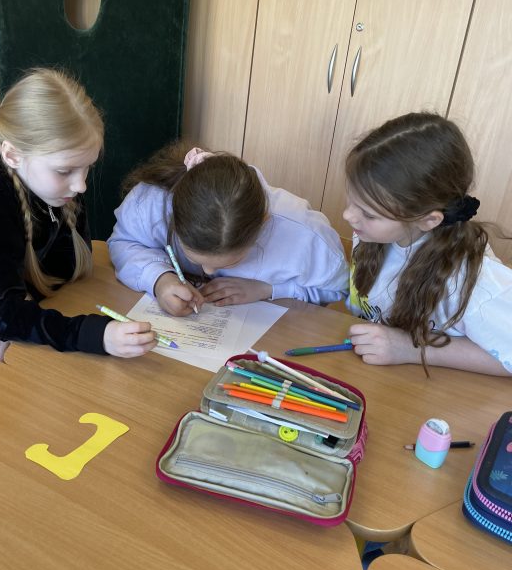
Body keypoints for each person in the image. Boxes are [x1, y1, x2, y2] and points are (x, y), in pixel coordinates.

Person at [0, 68, 155, 361]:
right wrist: (98, 335)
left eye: (87, 167)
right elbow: (2, 318)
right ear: (13, 155)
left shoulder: (57, 181)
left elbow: (68, 263)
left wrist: (19, 308)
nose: (81, 185)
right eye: (65, 171)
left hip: (23, 336)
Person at [343, 112, 512, 376]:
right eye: (351, 200)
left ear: (428, 220)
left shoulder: (474, 282)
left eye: (369, 214)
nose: (348, 216)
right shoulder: (370, 235)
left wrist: (411, 349)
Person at [107, 143, 348, 315]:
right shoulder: (152, 202)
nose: (208, 271)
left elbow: (335, 290)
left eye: (232, 262)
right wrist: (159, 279)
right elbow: (123, 243)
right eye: (196, 259)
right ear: (175, 216)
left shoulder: (307, 237)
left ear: (263, 224)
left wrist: (269, 289)